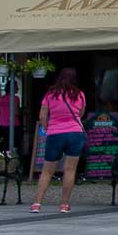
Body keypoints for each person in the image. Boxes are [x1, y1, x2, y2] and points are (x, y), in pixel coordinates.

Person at [29, 69, 89, 214]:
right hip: (75, 133)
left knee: (47, 170)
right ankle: (64, 204)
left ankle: (37, 203)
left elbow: (42, 116)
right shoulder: (79, 94)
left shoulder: (50, 94)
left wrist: (46, 127)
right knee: (70, 169)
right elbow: (81, 114)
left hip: (55, 133)